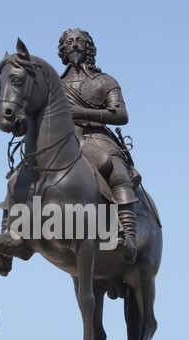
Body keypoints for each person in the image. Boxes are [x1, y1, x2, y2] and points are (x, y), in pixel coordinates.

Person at [58, 28, 139, 263]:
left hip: (97, 135)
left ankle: (128, 236)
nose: (74, 45)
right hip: (64, 137)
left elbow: (121, 115)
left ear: (88, 47)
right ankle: (12, 227)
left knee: (117, 173)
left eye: (79, 41)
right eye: (69, 41)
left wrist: (83, 112)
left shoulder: (105, 81)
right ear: (62, 49)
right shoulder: (56, 84)